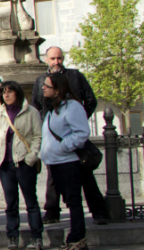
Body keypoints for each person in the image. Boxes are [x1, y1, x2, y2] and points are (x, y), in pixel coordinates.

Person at [30, 47, 106, 224]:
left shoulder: (75, 76)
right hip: (53, 138)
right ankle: (52, 211)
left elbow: (90, 100)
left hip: (71, 138)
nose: (56, 62)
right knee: (53, 178)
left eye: (59, 58)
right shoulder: (41, 80)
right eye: (53, 59)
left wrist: (76, 120)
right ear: (46, 59)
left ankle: (99, 211)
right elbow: (36, 106)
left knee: (85, 175)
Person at [39, 72, 92, 250]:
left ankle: (75, 239)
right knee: (70, 201)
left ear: (58, 89)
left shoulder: (72, 107)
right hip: (55, 161)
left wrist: (63, 147)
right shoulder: (54, 108)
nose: (43, 88)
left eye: (47, 86)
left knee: (73, 201)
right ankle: (79, 238)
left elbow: (82, 133)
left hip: (68, 162)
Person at [0, 81, 44, 250]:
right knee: (10, 202)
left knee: (31, 202)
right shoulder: (0, 113)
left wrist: (31, 157)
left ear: (17, 93)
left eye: (10, 92)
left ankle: (36, 237)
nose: (6, 95)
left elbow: (37, 136)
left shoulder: (31, 112)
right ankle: (12, 236)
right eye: (3, 92)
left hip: (23, 162)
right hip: (5, 164)